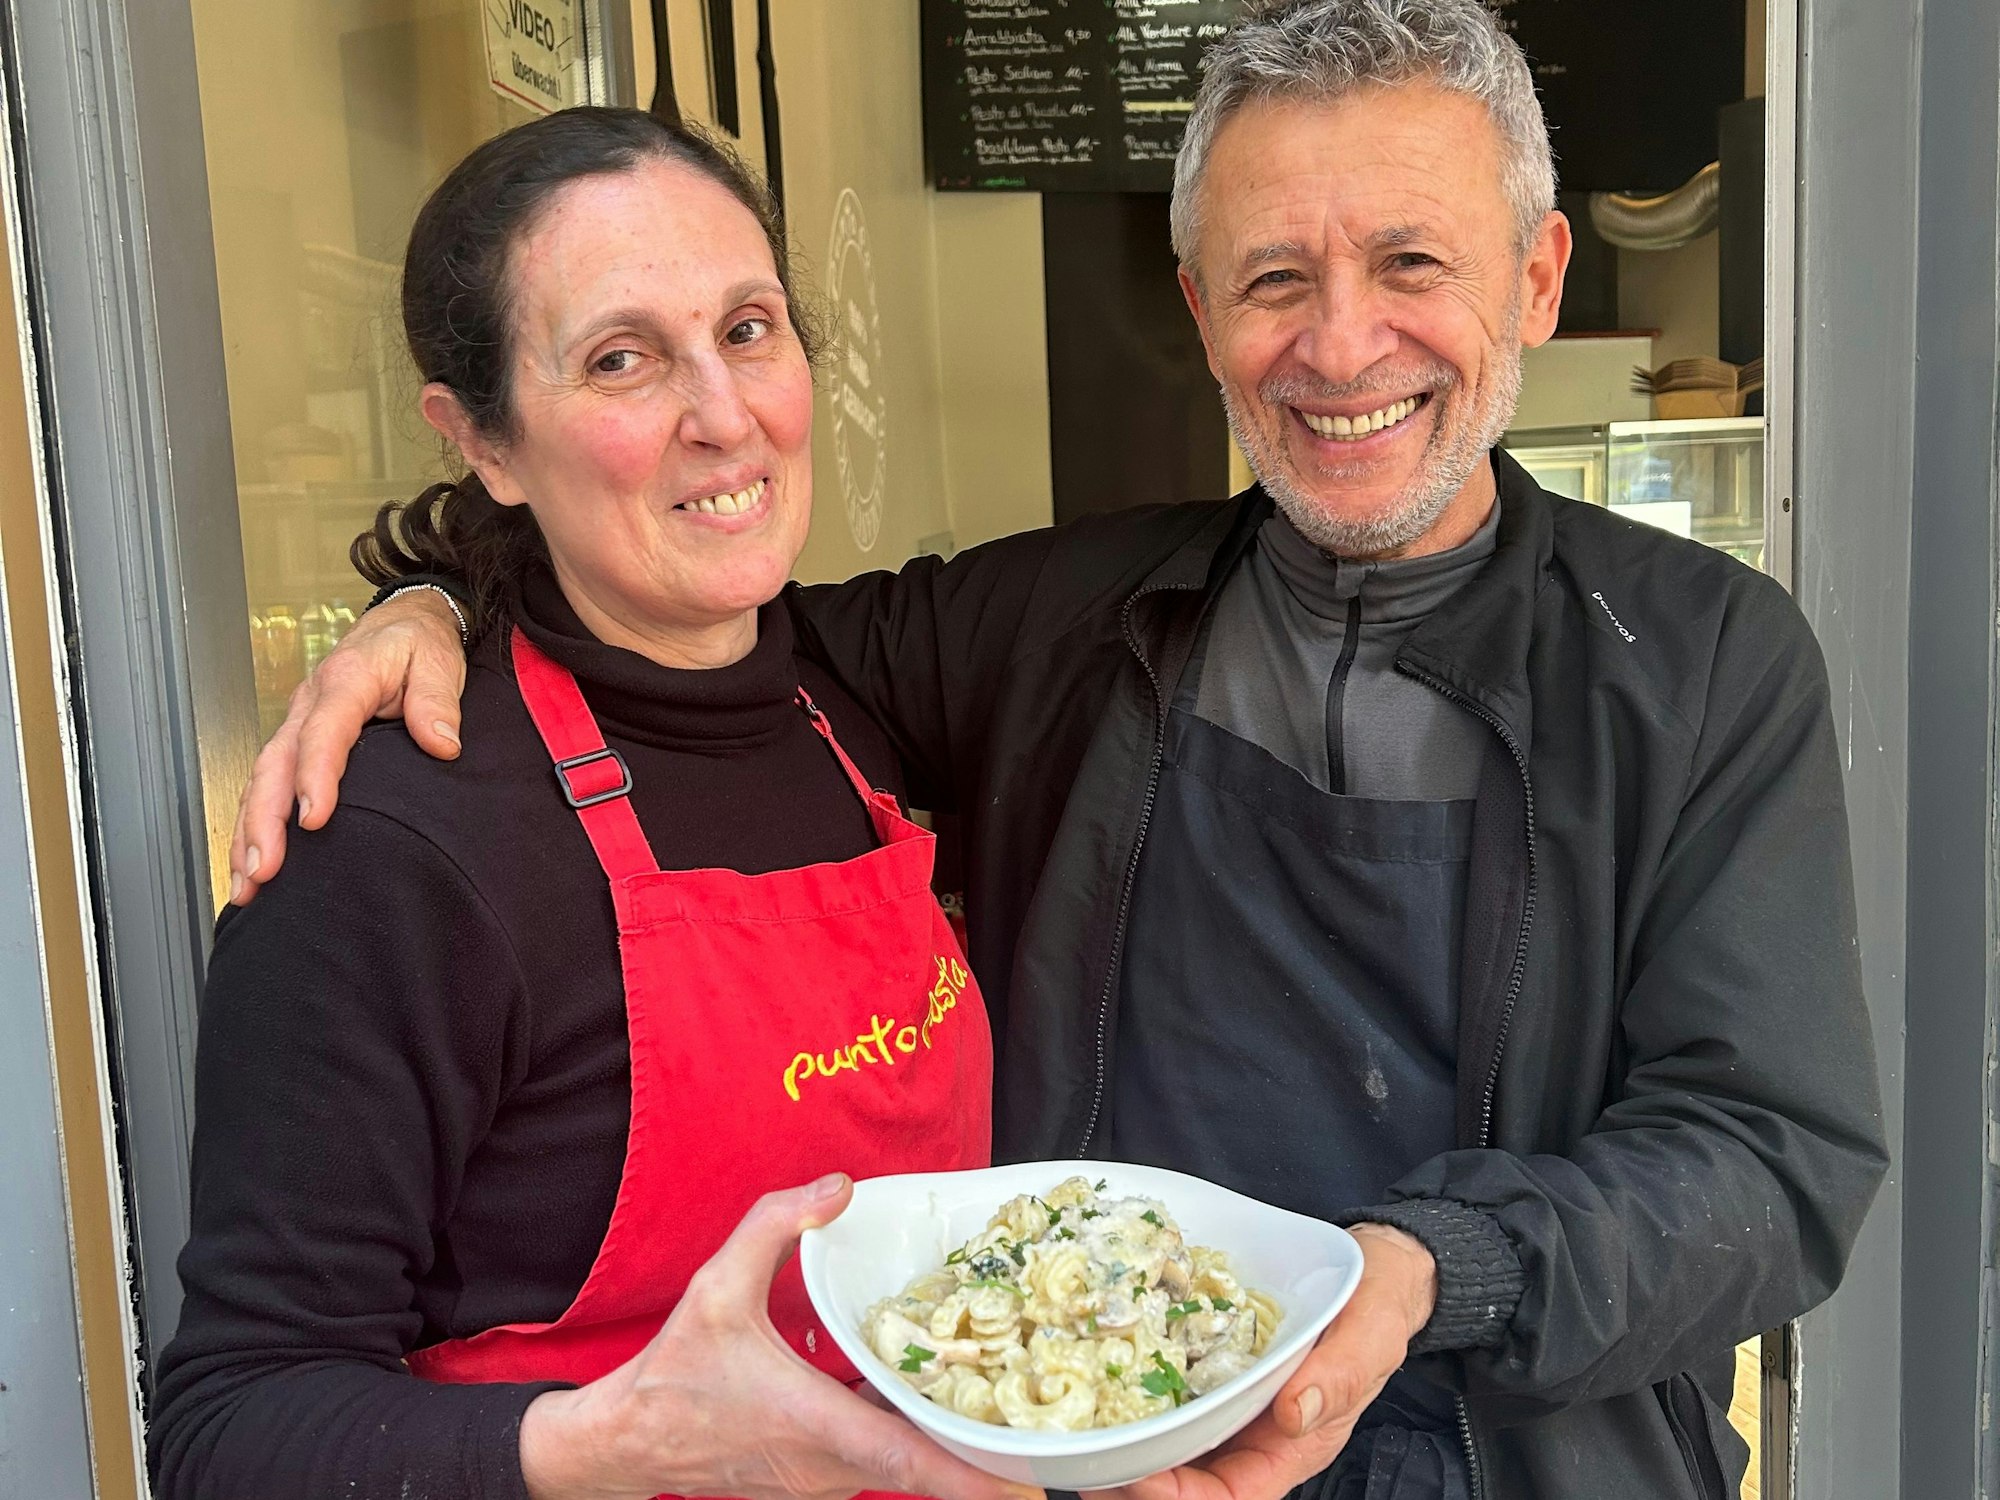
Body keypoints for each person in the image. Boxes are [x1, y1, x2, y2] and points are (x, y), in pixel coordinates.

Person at [231, 3, 1889, 1497]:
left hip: (1528, 1455)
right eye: (1272, 280)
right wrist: (443, 596)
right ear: (1197, 310)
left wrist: (1430, 1273)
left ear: (1535, 273)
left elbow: (1772, 1155)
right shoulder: (1059, 622)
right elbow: (689, 618)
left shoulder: (1697, 662)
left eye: (1411, 264)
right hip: (1097, 1458)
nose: (1338, 346)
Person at [148, 107, 1027, 1500]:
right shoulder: (397, 848)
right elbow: (229, 1431)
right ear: (482, 441)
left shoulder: (852, 702)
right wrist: (614, 1444)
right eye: (622, 360)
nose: (724, 415)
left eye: (748, 329)